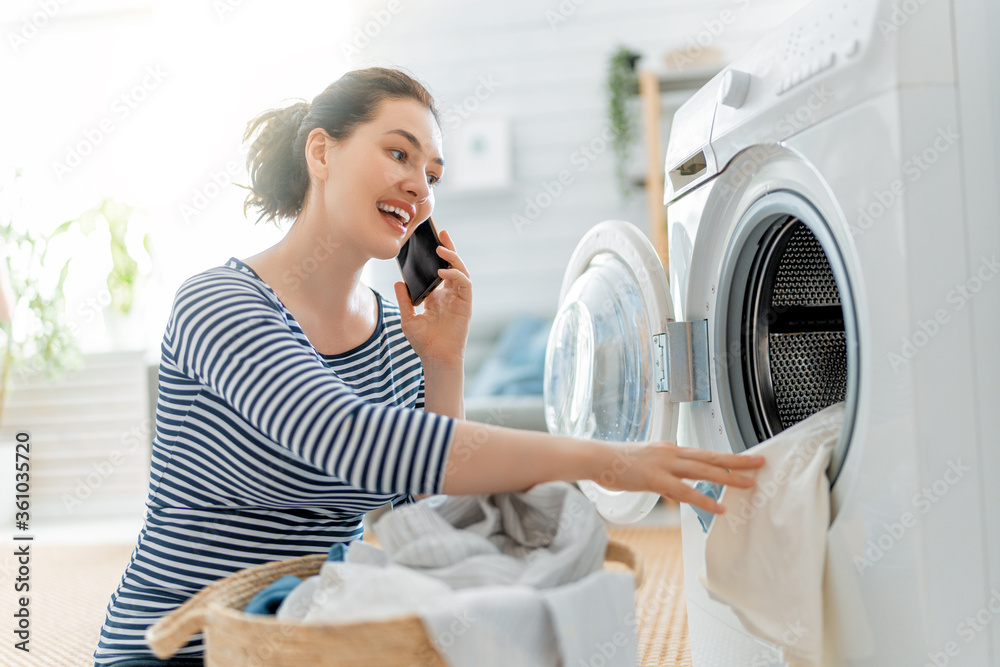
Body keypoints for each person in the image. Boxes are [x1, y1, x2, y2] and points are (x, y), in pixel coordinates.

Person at [93, 67, 764, 666]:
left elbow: (429, 513)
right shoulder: (219, 303)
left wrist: (444, 361)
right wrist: (606, 459)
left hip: (313, 635)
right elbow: (353, 439)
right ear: (321, 152)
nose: (418, 185)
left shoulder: (393, 331)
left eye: (433, 174)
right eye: (398, 153)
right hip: (183, 644)